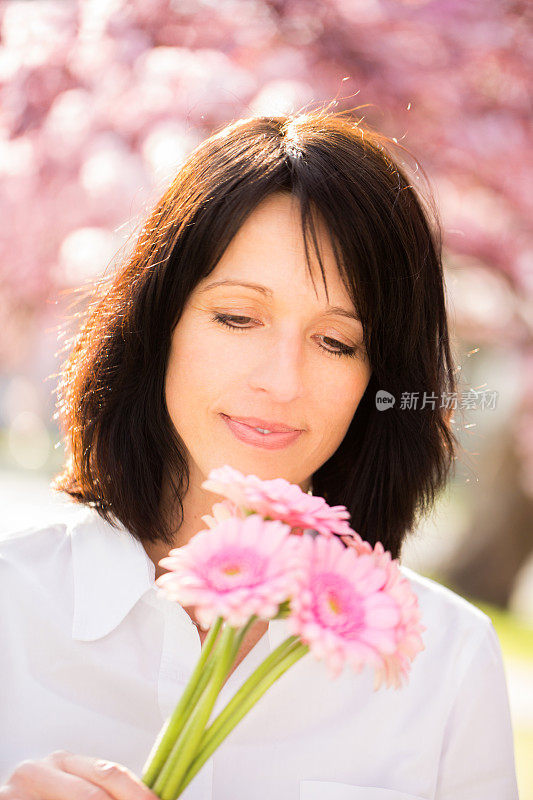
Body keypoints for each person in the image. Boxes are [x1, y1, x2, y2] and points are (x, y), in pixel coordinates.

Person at [0, 109, 519, 800]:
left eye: (336, 342)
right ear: (158, 324)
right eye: (237, 318)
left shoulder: (445, 661)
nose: (281, 381)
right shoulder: (13, 603)